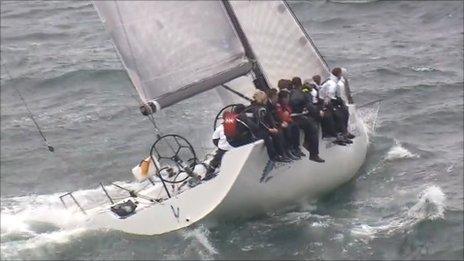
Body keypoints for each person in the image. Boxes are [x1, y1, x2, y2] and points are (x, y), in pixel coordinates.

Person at [248, 90, 291, 163]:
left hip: (259, 129)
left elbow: (269, 118)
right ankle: (276, 156)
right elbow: (261, 122)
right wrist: (269, 129)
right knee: (273, 136)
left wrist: (275, 126)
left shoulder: (259, 106)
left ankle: (283, 153)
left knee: (277, 132)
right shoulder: (260, 108)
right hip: (257, 131)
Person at [289, 77, 325, 163]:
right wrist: (318, 112)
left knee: (308, 122)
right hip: (298, 116)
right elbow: (310, 107)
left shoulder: (290, 92)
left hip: (291, 117)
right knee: (313, 127)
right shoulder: (305, 92)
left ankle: (306, 143)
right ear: (301, 84)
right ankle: (314, 154)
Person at [319, 68, 355, 141]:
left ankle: (345, 132)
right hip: (325, 101)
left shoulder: (339, 81)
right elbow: (329, 95)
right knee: (338, 115)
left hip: (333, 100)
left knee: (345, 112)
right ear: (338, 74)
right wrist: (326, 105)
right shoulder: (331, 82)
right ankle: (338, 133)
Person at [266, 88, 300, 160]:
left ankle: (294, 148)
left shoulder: (275, 104)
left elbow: (277, 116)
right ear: (273, 96)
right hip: (271, 125)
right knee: (281, 132)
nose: (277, 98)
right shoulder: (268, 105)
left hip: (277, 122)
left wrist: (282, 122)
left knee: (294, 126)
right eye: (276, 96)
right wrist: (279, 124)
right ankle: (284, 153)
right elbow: (270, 118)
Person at [276, 90, 306, 157]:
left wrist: (287, 116)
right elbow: (281, 116)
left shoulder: (286, 105)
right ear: (283, 98)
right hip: (281, 124)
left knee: (295, 126)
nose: (288, 99)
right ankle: (290, 149)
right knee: (288, 129)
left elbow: (289, 112)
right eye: (287, 98)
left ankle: (296, 147)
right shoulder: (278, 106)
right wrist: (286, 117)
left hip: (288, 122)